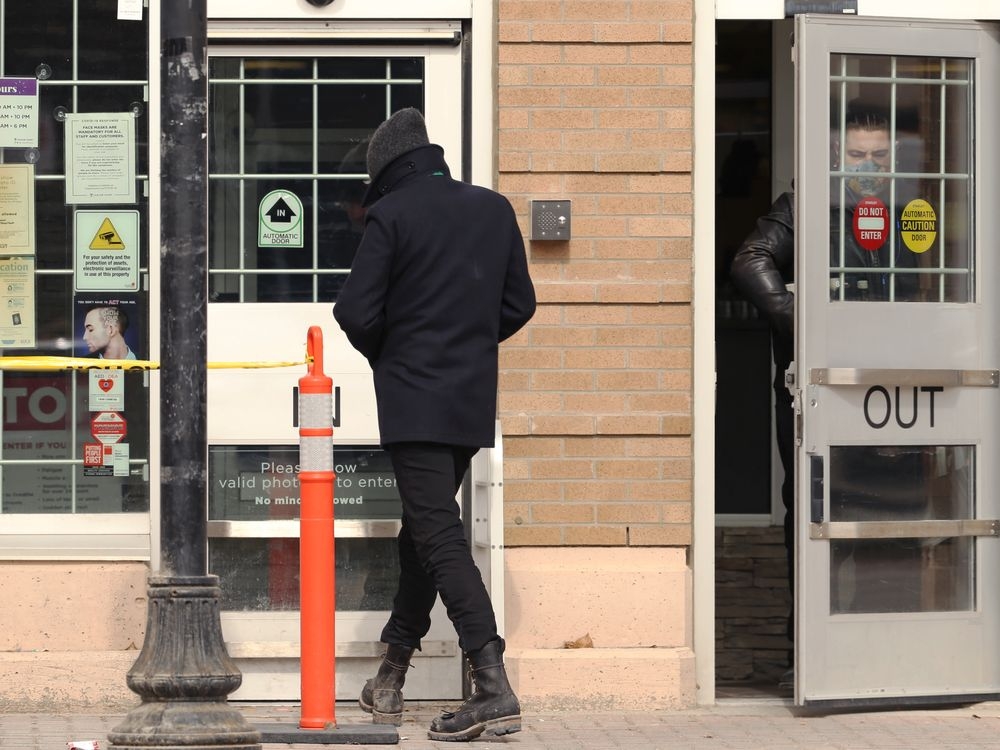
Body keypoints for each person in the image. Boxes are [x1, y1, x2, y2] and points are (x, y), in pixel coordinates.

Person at [333, 108, 536, 741]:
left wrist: (399, 355)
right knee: (424, 529)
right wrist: (466, 346)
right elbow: (519, 303)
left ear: (387, 172)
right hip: (468, 403)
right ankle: (390, 675)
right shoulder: (494, 209)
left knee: (439, 535)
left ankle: (492, 683)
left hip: (415, 403)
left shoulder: (392, 215)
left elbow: (354, 311)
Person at [729, 101, 916, 683]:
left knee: (892, 514)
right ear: (836, 153)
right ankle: (808, 653)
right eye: (857, 154)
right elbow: (749, 258)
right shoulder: (805, 207)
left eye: (878, 156)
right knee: (813, 516)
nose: (868, 165)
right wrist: (801, 319)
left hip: (897, 385)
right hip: (820, 390)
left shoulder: (916, 209)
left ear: (894, 158)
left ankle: (882, 648)